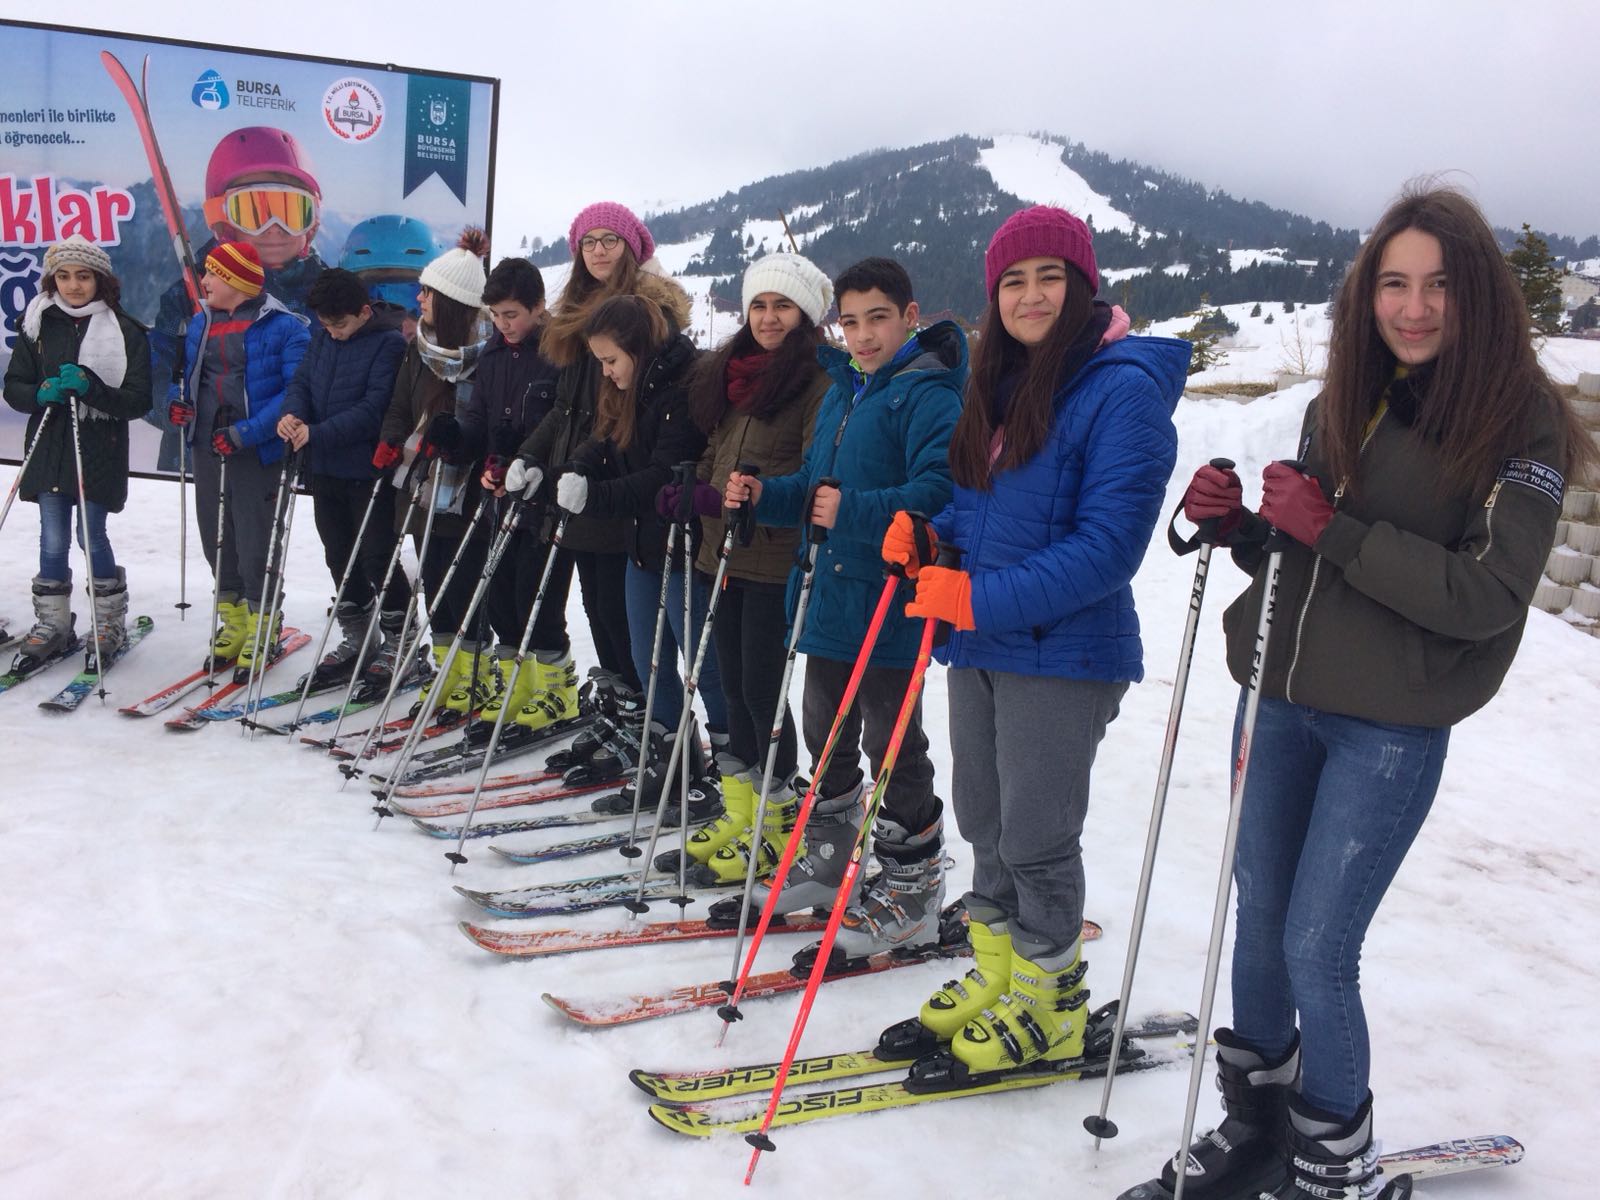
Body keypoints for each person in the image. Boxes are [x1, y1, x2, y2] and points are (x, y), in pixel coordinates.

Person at [1130, 184, 1598, 1200]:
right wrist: (1240, 527)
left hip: (1387, 726)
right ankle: (1257, 1129)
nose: (1414, 307)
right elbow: (1303, 562)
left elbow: (1486, 596)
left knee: (1316, 947)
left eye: (1439, 285)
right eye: (1393, 284)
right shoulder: (1342, 398)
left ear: (1479, 293)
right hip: (1280, 699)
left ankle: (1334, 1160)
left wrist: (1329, 529)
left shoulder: (1522, 423)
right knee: (1259, 924)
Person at [881, 206, 1185, 1075]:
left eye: (1050, 276)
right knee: (984, 819)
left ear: (1082, 286)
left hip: (1065, 652)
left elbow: (1106, 549)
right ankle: (999, 974)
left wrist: (972, 597)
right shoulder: (1003, 382)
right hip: (983, 644)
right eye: (1013, 281)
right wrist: (931, 537)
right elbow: (978, 511)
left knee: (1037, 838)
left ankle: (1049, 1002)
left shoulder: (1121, 391)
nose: (1031, 295)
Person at [724, 256, 963, 951]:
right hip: (830, 597)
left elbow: (940, 492)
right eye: (850, 322)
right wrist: (767, 494)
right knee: (825, 730)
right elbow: (814, 486)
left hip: (891, 601)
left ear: (910, 317)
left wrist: (852, 509)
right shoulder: (845, 389)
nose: (862, 336)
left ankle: (913, 881)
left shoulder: (929, 394)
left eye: (877, 319)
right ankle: (830, 860)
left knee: (893, 742)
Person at [664, 252, 831, 884]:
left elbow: (812, 471)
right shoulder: (733, 375)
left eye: (782, 306)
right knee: (731, 691)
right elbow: (717, 450)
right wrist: (696, 491)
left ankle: (780, 818)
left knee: (763, 693)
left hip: (773, 561)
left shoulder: (816, 382)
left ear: (805, 314)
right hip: (721, 554)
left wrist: (754, 495)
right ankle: (742, 810)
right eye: (759, 304)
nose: (768, 317)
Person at [506, 202, 692, 704]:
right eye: (588, 242)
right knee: (597, 606)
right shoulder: (576, 317)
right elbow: (565, 407)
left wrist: (589, 469)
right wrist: (531, 455)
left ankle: (644, 710)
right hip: (579, 476)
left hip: (620, 478)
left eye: (611, 240)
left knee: (622, 612)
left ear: (632, 248)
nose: (598, 250)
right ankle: (618, 704)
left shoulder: (646, 315)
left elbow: (627, 411)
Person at [551, 293, 726, 797]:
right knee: (649, 660)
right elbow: (608, 439)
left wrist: (597, 497)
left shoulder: (685, 387)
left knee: (704, 667)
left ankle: (734, 766)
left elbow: (662, 476)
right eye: (600, 362)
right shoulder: (631, 387)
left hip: (685, 549)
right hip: (642, 548)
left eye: (611, 360)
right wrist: (580, 466)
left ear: (639, 348)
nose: (605, 372)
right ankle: (671, 759)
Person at [3, 235, 151, 670]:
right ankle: (52, 622)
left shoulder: (125, 330)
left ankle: (108, 620)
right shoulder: (37, 325)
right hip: (50, 447)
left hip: (97, 449)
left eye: (83, 276)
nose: (73, 286)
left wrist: (92, 388)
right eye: (64, 277)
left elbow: (138, 400)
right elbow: (14, 387)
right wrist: (39, 392)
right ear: (53, 281)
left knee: (91, 534)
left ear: (100, 281)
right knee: (52, 538)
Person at [148, 127, 327, 471]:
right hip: (200, 455)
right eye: (255, 211)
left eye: (292, 211)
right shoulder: (190, 293)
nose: (274, 227)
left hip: (284, 457)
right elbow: (156, 368)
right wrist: (169, 405)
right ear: (224, 221)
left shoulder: (326, 297)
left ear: (312, 223)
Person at [169, 241, 310, 668]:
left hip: (257, 450)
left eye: (213, 274)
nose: (205, 281)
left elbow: (295, 393)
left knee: (254, 539)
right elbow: (189, 379)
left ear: (236, 281)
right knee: (216, 536)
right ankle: (233, 623)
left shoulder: (286, 328)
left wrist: (248, 433)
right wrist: (179, 406)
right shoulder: (201, 323)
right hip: (207, 445)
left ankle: (262, 623)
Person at [276, 267, 409, 688]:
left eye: (340, 324)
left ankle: (400, 639)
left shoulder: (389, 343)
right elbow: (301, 382)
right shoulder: (322, 338)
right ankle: (358, 636)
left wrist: (318, 433)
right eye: (325, 324)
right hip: (324, 468)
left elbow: (375, 408)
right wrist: (293, 415)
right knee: (338, 554)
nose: (332, 332)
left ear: (364, 312)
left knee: (376, 556)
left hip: (367, 470)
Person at [374, 232, 491, 710]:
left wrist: (459, 442)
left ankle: (476, 672)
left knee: (464, 585)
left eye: (428, 292)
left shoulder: (487, 354)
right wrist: (391, 439)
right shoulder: (419, 347)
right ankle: (447, 670)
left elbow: (489, 423)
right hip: (423, 482)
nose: (419, 299)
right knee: (434, 580)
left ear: (453, 302)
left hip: (466, 490)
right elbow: (400, 403)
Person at [464, 256, 576, 733]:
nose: (502, 324)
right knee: (501, 597)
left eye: (511, 314)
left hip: (545, 502)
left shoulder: (560, 353)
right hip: (501, 497)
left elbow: (566, 425)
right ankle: (518, 684)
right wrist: (469, 447)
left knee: (539, 597)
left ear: (538, 307)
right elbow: (480, 419)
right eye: (495, 315)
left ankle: (558, 689)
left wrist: (532, 462)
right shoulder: (490, 356)